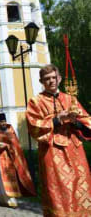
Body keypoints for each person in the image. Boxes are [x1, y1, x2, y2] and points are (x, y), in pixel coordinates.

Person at [26, 64, 91, 217]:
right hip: (52, 152)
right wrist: (57, 119)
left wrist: (74, 121)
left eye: (54, 78)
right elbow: (34, 127)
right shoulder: (36, 102)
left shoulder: (71, 99)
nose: (51, 81)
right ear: (42, 81)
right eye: (47, 79)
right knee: (59, 192)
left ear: (59, 79)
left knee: (82, 187)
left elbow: (87, 124)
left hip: (75, 151)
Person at [0, 113, 36, 208]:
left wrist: (6, 146)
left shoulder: (10, 131)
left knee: (9, 178)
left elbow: (15, 145)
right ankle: (1, 198)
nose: (3, 123)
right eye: (1, 122)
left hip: (9, 158)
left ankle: (11, 200)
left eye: (4, 121)